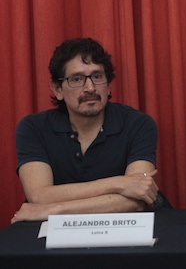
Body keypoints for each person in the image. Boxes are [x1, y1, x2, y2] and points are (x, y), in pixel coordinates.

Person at [13, 38, 159, 223]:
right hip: (54, 239)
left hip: (124, 230)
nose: (90, 88)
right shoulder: (33, 128)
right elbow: (39, 196)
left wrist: (55, 210)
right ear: (57, 89)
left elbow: (137, 199)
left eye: (97, 76)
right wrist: (119, 183)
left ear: (108, 84)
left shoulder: (139, 124)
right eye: (77, 79)